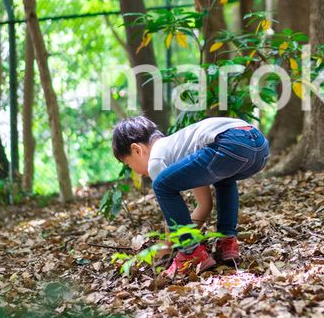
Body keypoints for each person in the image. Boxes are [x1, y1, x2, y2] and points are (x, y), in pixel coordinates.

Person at [112, 116, 269, 277]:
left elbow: (170, 214)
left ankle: (190, 253)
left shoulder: (156, 160)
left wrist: (167, 246)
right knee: (224, 179)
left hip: (230, 143)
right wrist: (188, 234)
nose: (135, 171)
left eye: (129, 164)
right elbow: (205, 205)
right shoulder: (185, 150)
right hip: (259, 146)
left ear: (136, 149)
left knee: (160, 185)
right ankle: (227, 241)